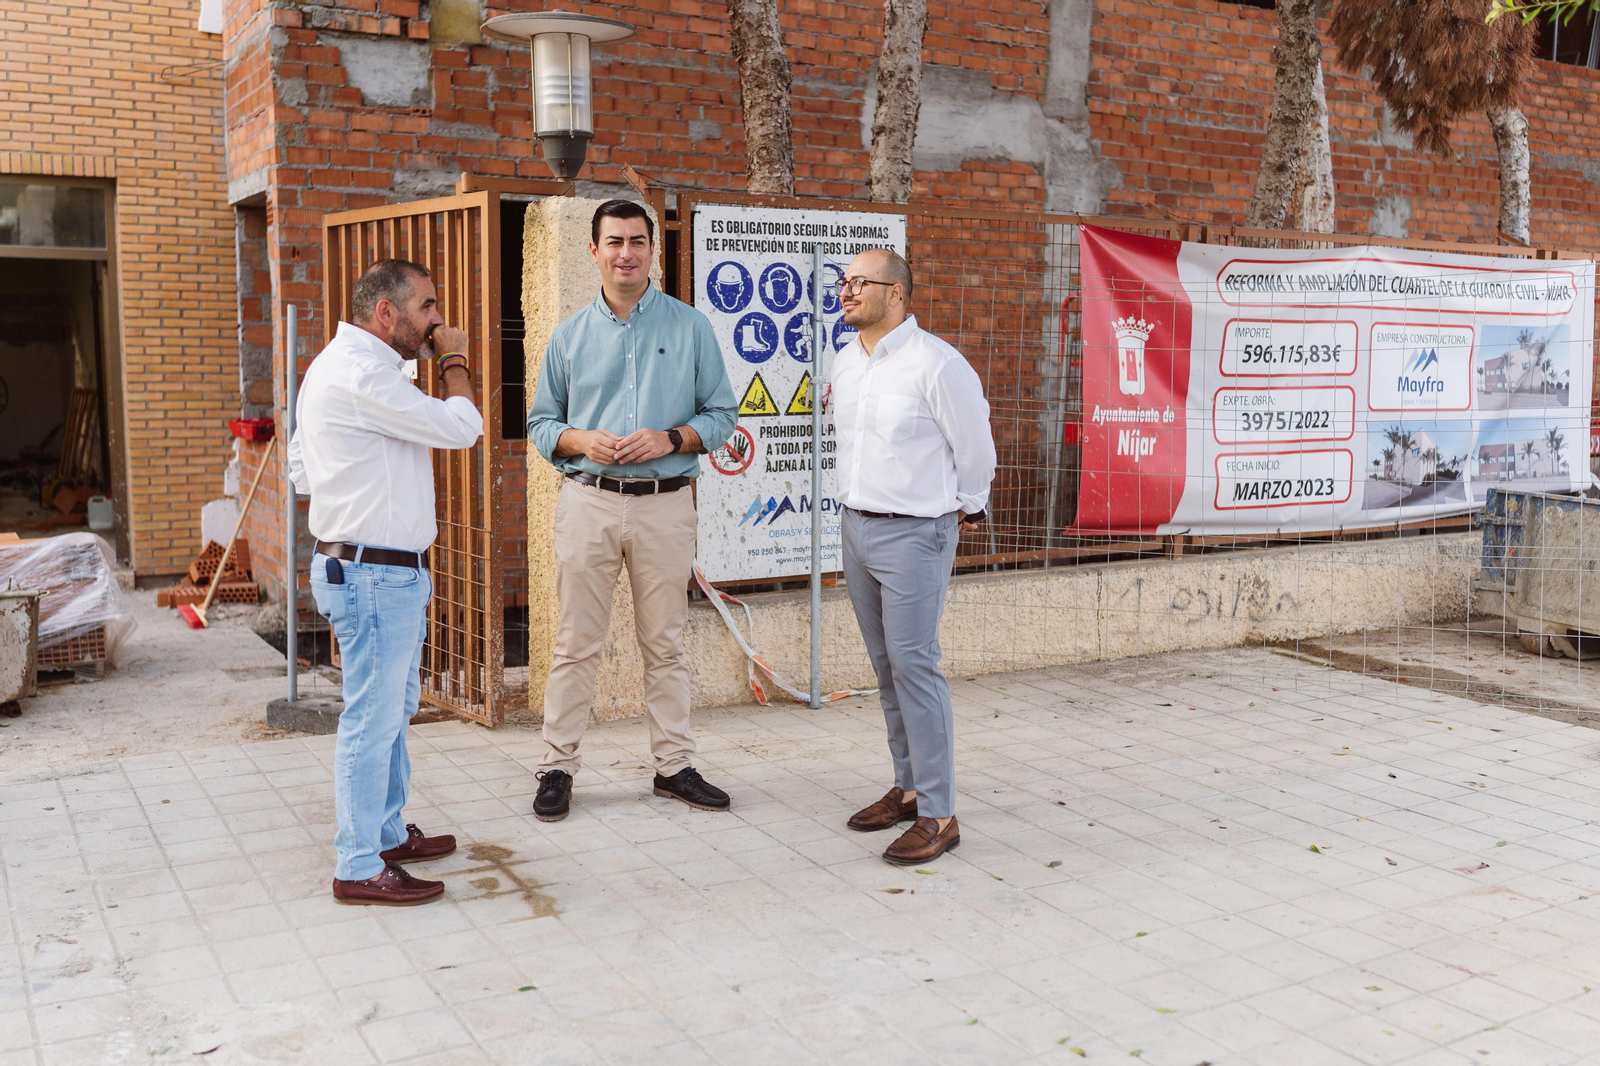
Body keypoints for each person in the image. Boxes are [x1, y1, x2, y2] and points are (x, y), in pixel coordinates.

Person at [526, 200, 738, 821]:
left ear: (652, 250)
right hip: (588, 501)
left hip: (664, 507)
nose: (626, 253)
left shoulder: (691, 328)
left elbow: (722, 415)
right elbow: (541, 424)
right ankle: (557, 768)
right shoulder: (568, 337)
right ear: (593, 251)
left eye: (637, 241)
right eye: (614, 241)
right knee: (575, 644)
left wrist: (672, 439)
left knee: (665, 645)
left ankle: (674, 767)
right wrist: (580, 440)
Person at [288, 259, 484, 906]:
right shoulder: (364, 374)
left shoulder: (342, 366)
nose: (437, 319)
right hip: (371, 574)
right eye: (427, 306)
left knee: (391, 711)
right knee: (372, 721)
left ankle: (386, 834)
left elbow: (300, 468)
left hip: (373, 569)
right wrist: (454, 359)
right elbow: (463, 427)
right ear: (386, 313)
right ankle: (357, 864)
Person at [831, 248, 996, 865]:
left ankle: (940, 813)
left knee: (915, 668)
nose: (847, 291)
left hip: (915, 535)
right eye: (845, 282)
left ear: (895, 293)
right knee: (886, 668)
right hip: (857, 528)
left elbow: (976, 450)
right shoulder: (846, 360)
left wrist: (965, 508)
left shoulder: (938, 364)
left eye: (860, 282)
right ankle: (907, 788)